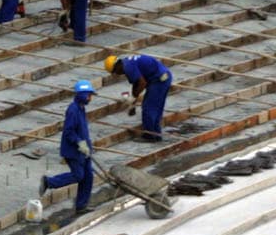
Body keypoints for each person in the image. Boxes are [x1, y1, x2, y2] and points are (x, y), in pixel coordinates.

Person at [38, 80, 98, 214]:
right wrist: (80, 143)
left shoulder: (82, 108)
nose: (90, 98)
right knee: (78, 176)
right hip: (73, 151)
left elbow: (82, 130)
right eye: (89, 95)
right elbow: (69, 132)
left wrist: (87, 145)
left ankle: (81, 205)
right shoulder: (73, 110)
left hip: (84, 150)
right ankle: (49, 182)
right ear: (82, 94)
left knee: (88, 176)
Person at [105, 53, 174, 141]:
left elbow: (142, 83)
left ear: (116, 67)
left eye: (115, 72)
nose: (117, 74)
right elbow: (136, 83)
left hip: (159, 80)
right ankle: (156, 134)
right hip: (163, 77)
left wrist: (133, 97)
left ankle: (149, 136)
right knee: (155, 108)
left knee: (149, 108)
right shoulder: (126, 63)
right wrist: (132, 104)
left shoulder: (128, 67)